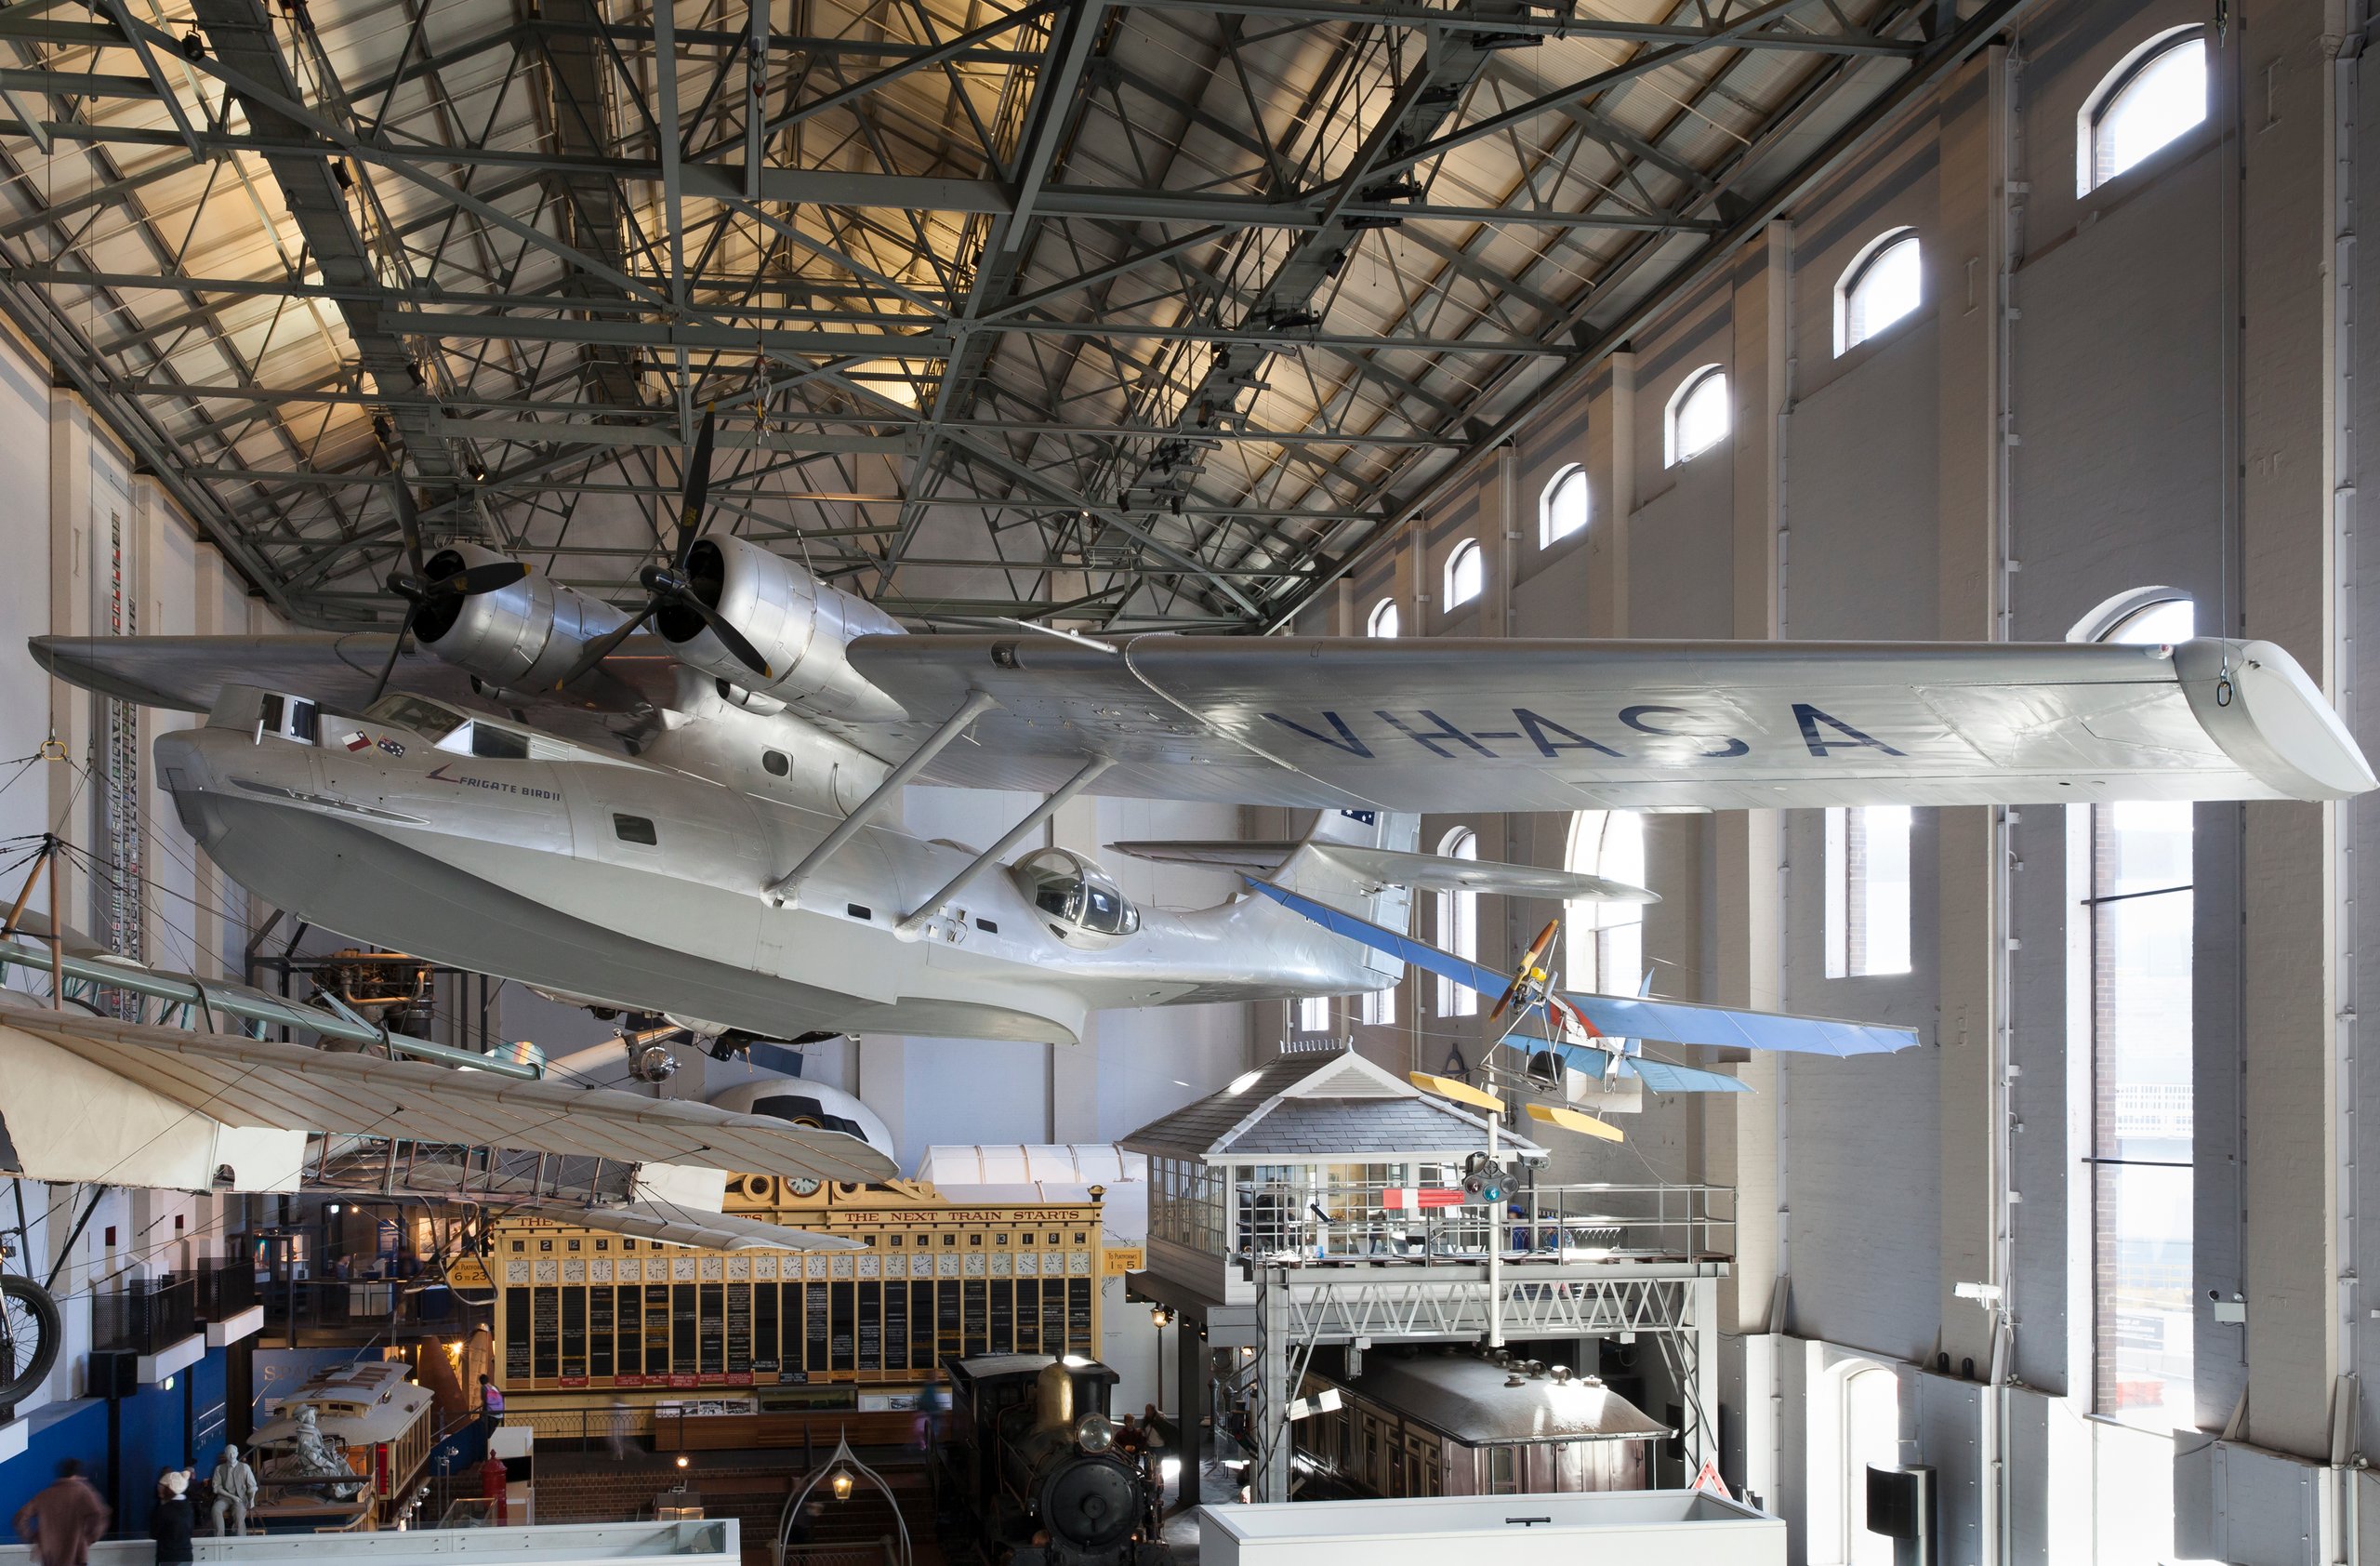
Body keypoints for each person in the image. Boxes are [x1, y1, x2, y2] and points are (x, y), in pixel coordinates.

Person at [13, 1458, 110, 1566]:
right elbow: (100, 1515)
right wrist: (89, 1538)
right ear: (77, 1475)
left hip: (50, 1557)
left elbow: (20, 1518)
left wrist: (35, 1537)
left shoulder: (46, 1494)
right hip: (76, 1556)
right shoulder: (83, 1493)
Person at [207, 1444, 257, 1537]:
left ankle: (240, 1539)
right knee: (216, 1509)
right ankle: (220, 1539)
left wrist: (252, 1499)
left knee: (239, 1514)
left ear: (237, 1453)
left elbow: (252, 1486)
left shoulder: (245, 1467)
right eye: (229, 1453)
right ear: (225, 1454)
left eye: (234, 1453)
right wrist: (232, 1497)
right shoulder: (219, 1468)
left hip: (240, 1498)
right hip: (224, 1498)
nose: (232, 1456)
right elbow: (216, 1488)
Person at [151, 1470, 195, 1565]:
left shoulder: (164, 1510)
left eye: (162, 1487)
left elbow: (154, 1534)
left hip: (168, 1557)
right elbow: (190, 1531)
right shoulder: (189, 1507)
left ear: (169, 1489)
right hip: (187, 1555)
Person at [478, 1374, 504, 1439]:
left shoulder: (484, 1388)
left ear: (481, 1382)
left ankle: (488, 1446)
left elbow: (484, 1401)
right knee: (493, 1432)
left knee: (488, 1433)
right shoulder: (495, 1387)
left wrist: (482, 1413)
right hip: (499, 1414)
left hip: (490, 1415)